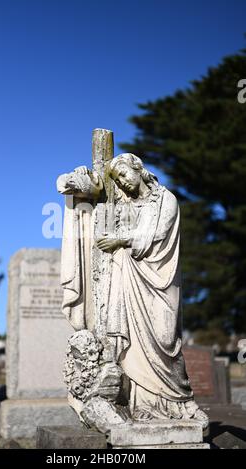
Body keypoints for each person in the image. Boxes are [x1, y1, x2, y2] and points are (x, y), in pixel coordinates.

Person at [95, 153, 208, 426]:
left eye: (124, 174)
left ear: (138, 168)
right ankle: (142, 406)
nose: (123, 182)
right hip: (133, 281)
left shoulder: (166, 200)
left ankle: (181, 402)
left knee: (166, 339)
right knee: (135, 345)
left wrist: (120, 239)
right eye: (118, 180)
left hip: (162, 280)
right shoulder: (128, 206)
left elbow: (156, 234)